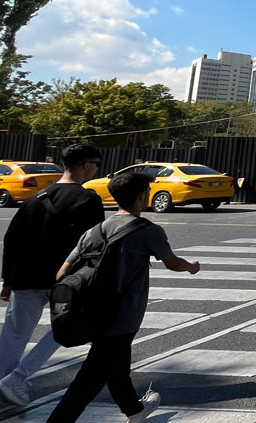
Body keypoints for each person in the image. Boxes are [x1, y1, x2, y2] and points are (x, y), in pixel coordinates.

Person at [45, 172, 201, 423]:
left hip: (91, 314)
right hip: (122, 317)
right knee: (88, 382)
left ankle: (134, 410)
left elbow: (62, 273)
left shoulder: (94, 231)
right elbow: (172, 263)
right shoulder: (148, 230)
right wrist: (192, 266)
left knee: (116, 368)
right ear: (141, 196)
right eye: (147, 192)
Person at [0, 144, 105, 410]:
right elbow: (93, 244)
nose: (95, 170)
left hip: (25, 277)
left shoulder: (35, 198)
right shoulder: (88, 200)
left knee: (14, 334)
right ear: (86, 165)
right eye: (94, 166)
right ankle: (17, 379)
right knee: (64, 331)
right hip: (66, 281)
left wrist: (8, 279)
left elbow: (12, 240)